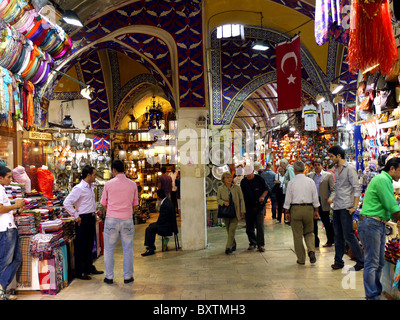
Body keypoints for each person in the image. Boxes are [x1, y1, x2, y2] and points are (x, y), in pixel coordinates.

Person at [358, 157, 400, 300]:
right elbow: (391, 205)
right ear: (392, 168)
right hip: (371, 223)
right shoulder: (382, 179)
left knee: (379, 261)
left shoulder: (385, 180)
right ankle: (371, 296)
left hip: (377, 224)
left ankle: (375, 291)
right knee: (372, 262)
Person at [100, 160, 139, 284]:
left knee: (109, 249)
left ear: (114, 170)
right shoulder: (133, 184)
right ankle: (128, 276)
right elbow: (135, 205)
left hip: (111, 219)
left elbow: (103, 203)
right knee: (128, 249)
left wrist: (111, 212)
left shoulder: (108, 184)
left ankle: (109, 277)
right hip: (127, 219)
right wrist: (128, 214)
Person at [328, 145, 364, 271]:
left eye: (332, 156)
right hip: (337, 206)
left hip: (346, 206)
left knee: (348, 234)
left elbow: (356, 188)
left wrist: (355, 206)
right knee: (337, 235)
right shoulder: (335, 169)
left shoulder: (349, 169)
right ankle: (338, 261)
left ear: (338, 155)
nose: (330, 159)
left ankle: (361, 260)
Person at [63, 165, 103, 280]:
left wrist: (94, 214)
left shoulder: (90, 187)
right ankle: (80, 272)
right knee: (82, 246)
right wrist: (76, 216)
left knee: (90, 244)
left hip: (90, 218)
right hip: (83, 219)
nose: (95, 177)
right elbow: (67, 203)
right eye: (94, 175)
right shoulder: (79, 188)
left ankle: (88, 267)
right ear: (89, 175)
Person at [284, 160, 320, 265]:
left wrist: (287, 212)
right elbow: (315, 198)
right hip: (309, 209)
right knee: (309, 232)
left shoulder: (291, 183)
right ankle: (311, 250)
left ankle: (301, 259)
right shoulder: (310, 182)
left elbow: (288, 199)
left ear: (294, 170)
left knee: (297, 235)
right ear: (304, 169)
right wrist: (316, 211)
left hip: (296, 209)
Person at [0, 166, 26, 300]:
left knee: (16, 259)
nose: (11, 179)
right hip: (5, 229)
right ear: (1, 178)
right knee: (5, 261)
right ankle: (1, 290)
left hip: (9, 227)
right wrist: (15, 205)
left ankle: (1, 288)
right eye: (8, 177)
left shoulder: (2, 189)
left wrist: (17, 211)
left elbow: (6, 210)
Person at [240, 164, 269, 252]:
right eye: (247, 174)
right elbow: (241, 195)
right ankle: (252, 243)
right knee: (249, 227)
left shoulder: (260, 179)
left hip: (259, 206)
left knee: (260, 226)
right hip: (248, 207)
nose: (248, 175)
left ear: (253, 171)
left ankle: (261, 244)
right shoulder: (243, 182)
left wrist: (263, 196)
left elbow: (266, 189)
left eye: (250, 173)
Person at [307, 159, 336, 247]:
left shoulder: (328, 175)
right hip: (313, 202)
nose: (317, 166)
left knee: (326, 222)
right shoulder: (309, 176)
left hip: (324, 202)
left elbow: (333, 190)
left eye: (318, 165)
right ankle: (315, 242)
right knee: (313, 223)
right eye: (315, 165)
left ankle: (330, 240)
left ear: (322, 165)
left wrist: (331, 198)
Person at [141, 189, 178, 256]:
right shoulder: (168, 201)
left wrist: (156, 224)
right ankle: (151, 246)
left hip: (166, 227)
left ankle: (150, 248)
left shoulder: (164, 205)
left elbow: (161, 219)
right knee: (151, 226)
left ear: (158, 196)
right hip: (170, 224)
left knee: (149, 229)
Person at [216, 172, 246, 254]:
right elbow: (218, 199)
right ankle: (233, 244)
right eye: (227, 178)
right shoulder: (220, 188)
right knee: (228, 230)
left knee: (232, 230)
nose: (229, 179)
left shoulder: (236, 188)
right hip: (226, 212)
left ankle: (228, 247)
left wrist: (242, 210)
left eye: (230, 177)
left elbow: (241, 199)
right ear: (223, 179)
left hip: (235, 212)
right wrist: (223, 202)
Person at [280, 159, 295, 224]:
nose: (281, 166)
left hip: (290, 191)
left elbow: (292, 179)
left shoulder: (289, 169)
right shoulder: (288, 169)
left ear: (284, 163)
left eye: (281, 164)